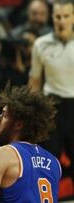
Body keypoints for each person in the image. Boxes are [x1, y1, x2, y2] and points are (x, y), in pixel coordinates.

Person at [28, 0, 74, 183]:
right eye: (57, 17)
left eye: (66, 16)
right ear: (52, 18)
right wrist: (31, 113)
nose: (61, 21)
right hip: (51, 106)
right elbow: (35, 81)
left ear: (73, 18)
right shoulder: (41, 44)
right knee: (48, 161)